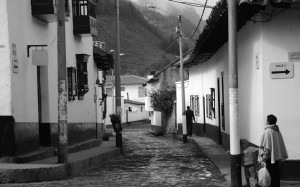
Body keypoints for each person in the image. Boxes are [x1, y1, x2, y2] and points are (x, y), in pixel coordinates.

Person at [258, 114, 288, 187]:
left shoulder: (268, 131)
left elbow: (266, 147)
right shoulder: (277, 130)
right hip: (276, 156)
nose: (266, 121)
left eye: (266, 119)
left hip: (269, 157)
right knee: (275, 172)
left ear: (268, 121)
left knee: (270, 173)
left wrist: (264, 158)